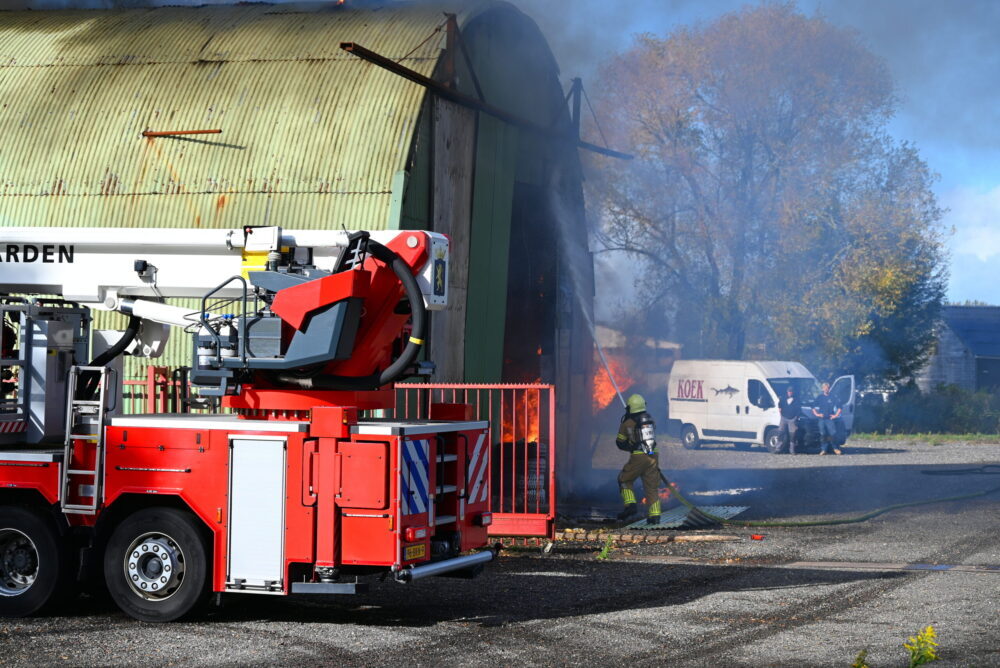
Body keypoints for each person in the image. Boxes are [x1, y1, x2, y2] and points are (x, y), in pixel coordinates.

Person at [615, 393, 662, 525]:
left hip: (638, 456)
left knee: (624, 479)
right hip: (653, 454)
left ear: (630, 408)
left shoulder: (627, 422)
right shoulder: (650, 420)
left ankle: (630, 506)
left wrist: (631, 446)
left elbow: (620, 442)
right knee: (651, 486)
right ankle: (655, 516)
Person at [812, 382, 842, 455]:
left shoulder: (832, 397)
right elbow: (812, 406)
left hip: (830, 419)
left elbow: (840, 407)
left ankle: (835, 448)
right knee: (823, 434)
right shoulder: (820, 397)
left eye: (827, 388)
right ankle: (824, 449)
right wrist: (817, 414)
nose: (826, 389)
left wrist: (835, 415)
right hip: (822, 419)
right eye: (824, 388)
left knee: (833, 434)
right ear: (822, 389)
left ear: (829, 388)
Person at [778, 386, 802, 454]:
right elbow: (779, 406)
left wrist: (796, 417)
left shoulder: (797, 399)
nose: (790, 392)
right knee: (780, 433)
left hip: (792, 419)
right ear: (787, 391)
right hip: (783, 418)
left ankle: (792, 450)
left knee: (792, 435)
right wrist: (781, 415)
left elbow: (799, 410)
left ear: (793, 392)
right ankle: (778, 448)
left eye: (791, 391)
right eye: (789, 391)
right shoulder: (782, 398)